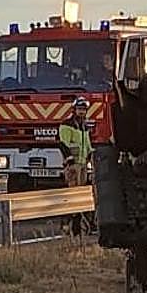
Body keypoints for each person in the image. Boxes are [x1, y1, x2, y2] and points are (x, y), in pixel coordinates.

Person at [58, 96, 94, 234]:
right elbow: (63, 144)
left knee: (80, 198)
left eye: (84, 110)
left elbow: (87, 145)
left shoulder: (84, 126)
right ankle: (66, 224)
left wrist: (91, 156)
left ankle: (77, 228)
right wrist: (70, 160)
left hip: (83, 164)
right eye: (79, 109)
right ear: (74, 110)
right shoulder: (67, 125)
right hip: (73, 166)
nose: (81, 112)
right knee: (72, 196)